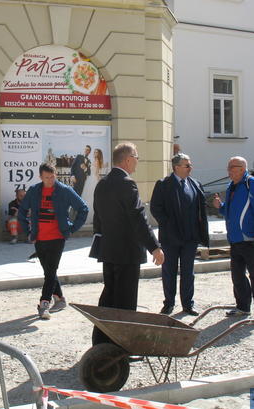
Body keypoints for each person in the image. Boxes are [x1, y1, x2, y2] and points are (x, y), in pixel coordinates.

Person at [92, 143, 164, 344]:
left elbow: (98, 219)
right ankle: (121, 347)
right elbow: (138, 219)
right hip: (127, 252)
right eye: (137, 157)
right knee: (125, 301)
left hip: (108, 250)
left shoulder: (102, 184)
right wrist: (155, 247)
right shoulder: (127, 183)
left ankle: (100, 341)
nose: (138, 162)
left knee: (109, 297)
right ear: (127, 159)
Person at [18, 162, 88, 320]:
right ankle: (60, 299)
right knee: (49, 271)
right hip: (39, 238)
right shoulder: (35, 190)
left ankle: (44, 304)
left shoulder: (64, 190)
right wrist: (28, 232)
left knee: (50, 272)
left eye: (52, 177)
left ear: (55, 174)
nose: (50, 180)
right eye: (46, 177)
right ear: (40, 177)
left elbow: (83, 208)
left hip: (57, 237)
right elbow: (22, 211)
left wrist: (72, 228)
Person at [212, 156, 254, 320]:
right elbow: (231, 212)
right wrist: (221, 207)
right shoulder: (231, 186)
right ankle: (243, 307)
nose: (229, 170)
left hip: (252, 238)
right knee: (237, 276)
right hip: (236, 239)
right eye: (229, 167)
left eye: (233, 167)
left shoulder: (252, 183)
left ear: (243, 168)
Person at [150, 153, 209, 316]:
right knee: (169, 270)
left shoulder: (195, 184)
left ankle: (188, 304)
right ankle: (169, 303)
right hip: (170, 238)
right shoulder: (163, 184)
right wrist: (168, 223)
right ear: (176, 167)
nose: (191, 168)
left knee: (188, 272)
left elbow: (201, 209)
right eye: (187, 165)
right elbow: (155, 207)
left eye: (190, 165)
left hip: (190, 237)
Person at [80, 148, 104, 215]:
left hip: (93, 179)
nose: (95, 153)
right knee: (89, 196)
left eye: (96, 152)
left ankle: (91, 214)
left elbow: (96, 173)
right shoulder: (95, 160)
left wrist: (99, 181)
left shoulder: (97, 161)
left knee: (92, 196)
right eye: (94, 152)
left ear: (99, 154)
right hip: (90, 178)